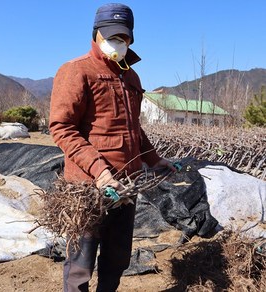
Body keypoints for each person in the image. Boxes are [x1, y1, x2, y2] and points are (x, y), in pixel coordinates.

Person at [49, 3, 175, 291]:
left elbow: (134, 129)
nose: (117, 42)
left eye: (123, 37)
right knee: (80, 263)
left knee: (117, 259)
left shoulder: (131, 77)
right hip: (88, 188)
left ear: (131, 38)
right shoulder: (76, 71)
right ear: (96, 34)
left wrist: (154, 159)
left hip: (126, 187)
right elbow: (61, 128)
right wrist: (100, 171)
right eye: (111, 36)